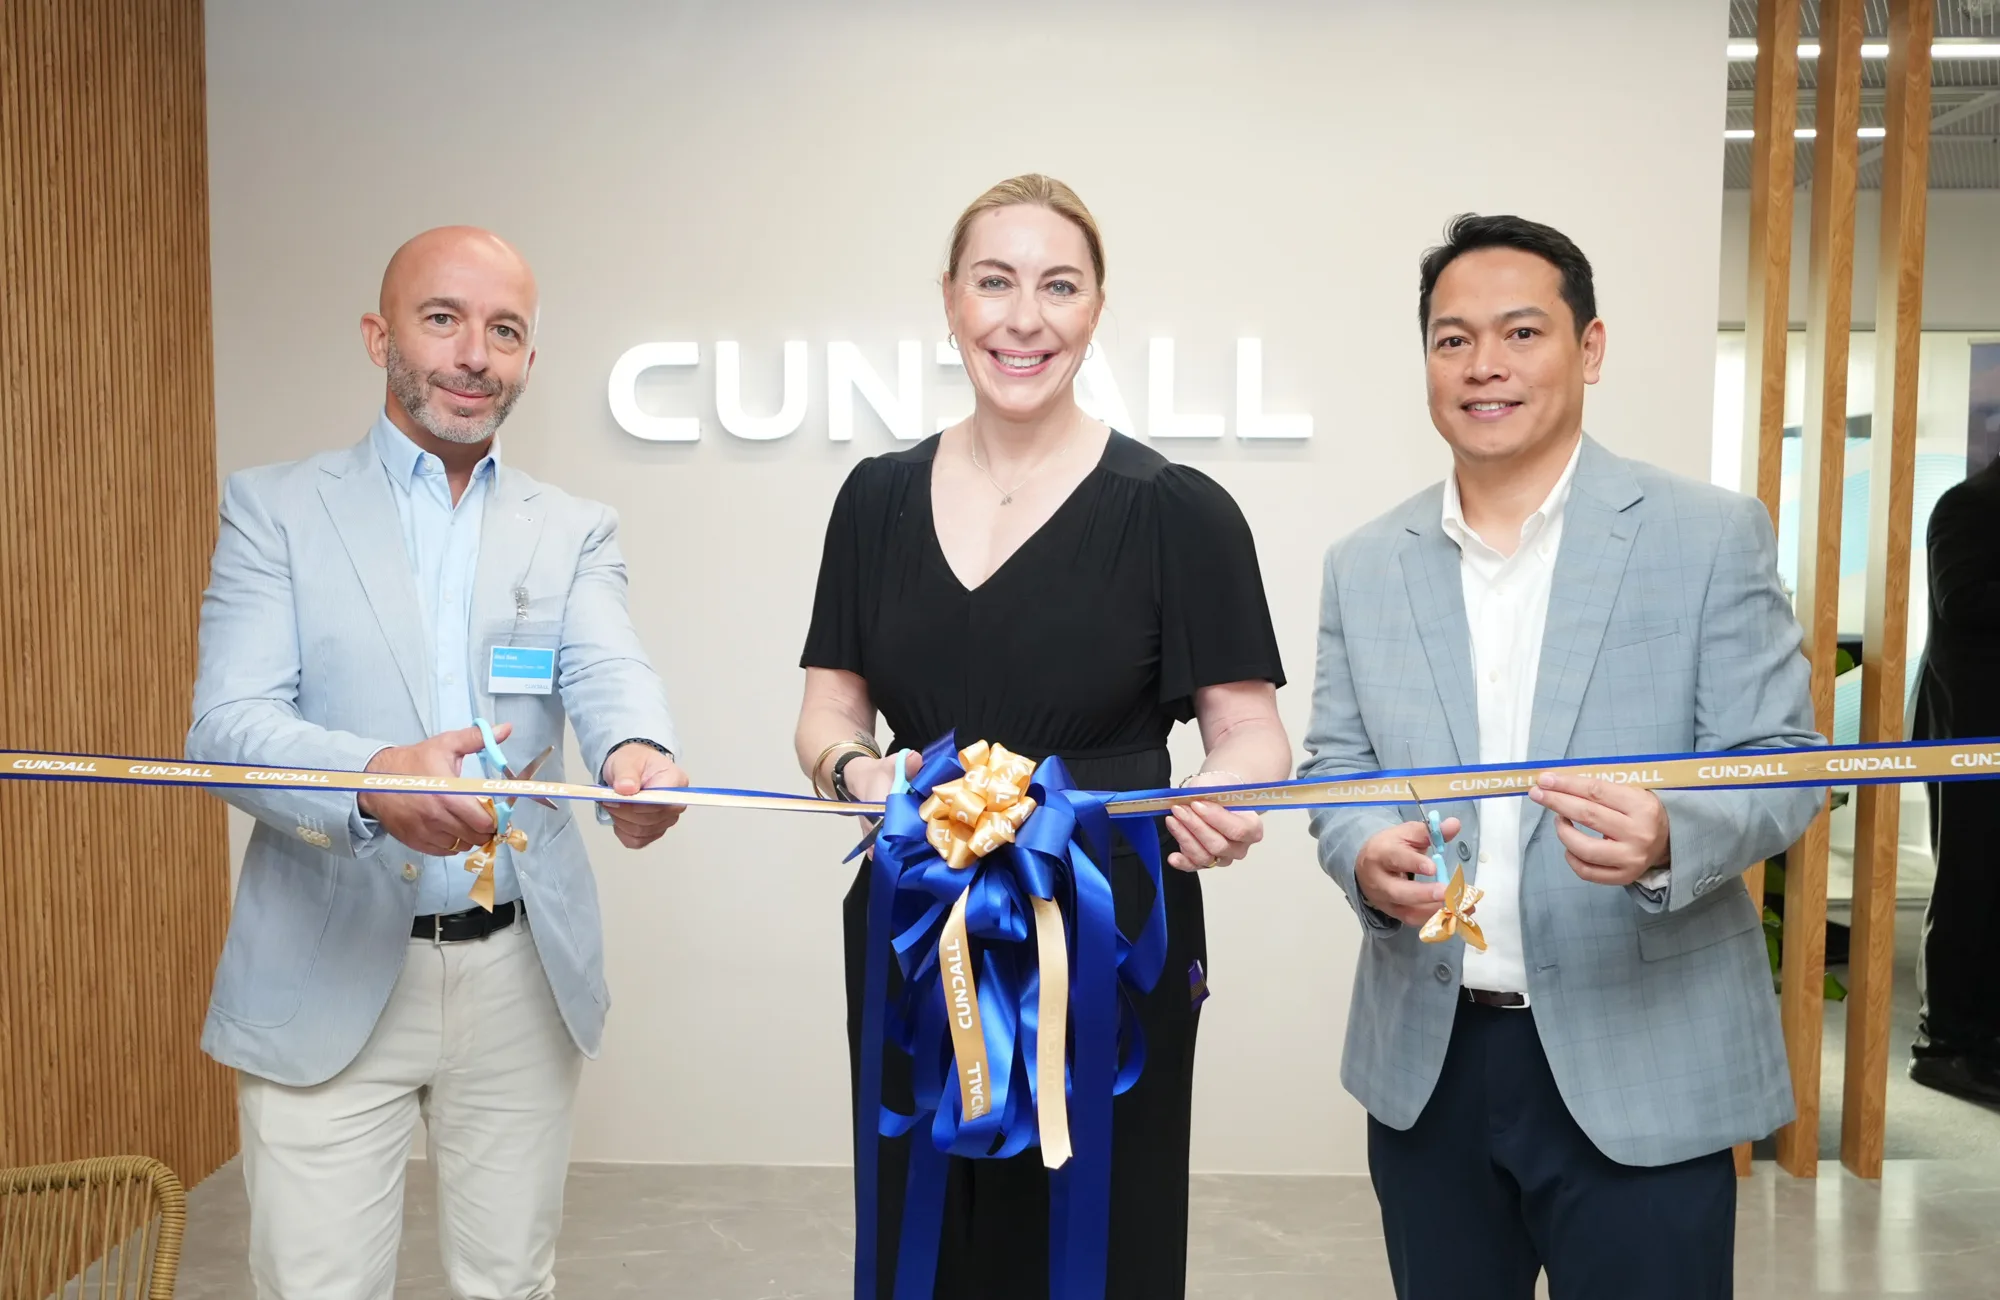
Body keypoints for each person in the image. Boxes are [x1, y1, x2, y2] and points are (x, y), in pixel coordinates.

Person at [1299, 214, 1821, 1299]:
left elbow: (1782, 761)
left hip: (1647, 1058)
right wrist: (1360, 853)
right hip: (1431, 1062)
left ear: (1589, 348)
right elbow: (1335, 768)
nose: (1482, 365)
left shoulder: (1706, 533)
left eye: (1520, 332)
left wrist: (1673, 832)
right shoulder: (1364, 563)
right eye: (1452, 340)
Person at [793, 174, 1291, 1299]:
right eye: (995, 282)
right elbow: (827, 711)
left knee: (1095, 1238)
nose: (1025, 318)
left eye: (1059, 286)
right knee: (922, 1233)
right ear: (949, 299)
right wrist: (855, 770)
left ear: (1097, 308)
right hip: (915, 911)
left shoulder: (1178, 509)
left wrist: (1223, 791)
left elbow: (1252, 732)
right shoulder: (873, 499)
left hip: (1107, 922)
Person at [188, 226, 688, 1298]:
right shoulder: (274, 510)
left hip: (519, 972)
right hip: (324, 964)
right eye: (443, 319)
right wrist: (374, 775)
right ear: (380, 338)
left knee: (509, 1284)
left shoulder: (573, 528)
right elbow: (227, 728)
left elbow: (607, 668)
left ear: (528, 359)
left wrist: (639, 754)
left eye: (503, 331)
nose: (473, 354)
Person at [1909, 453, 2000, 1103]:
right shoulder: (1969, 505)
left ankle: (1985, 1038)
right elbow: (1961, 600)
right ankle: (1943, 1046)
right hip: (1970, 735)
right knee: (1970, 886)